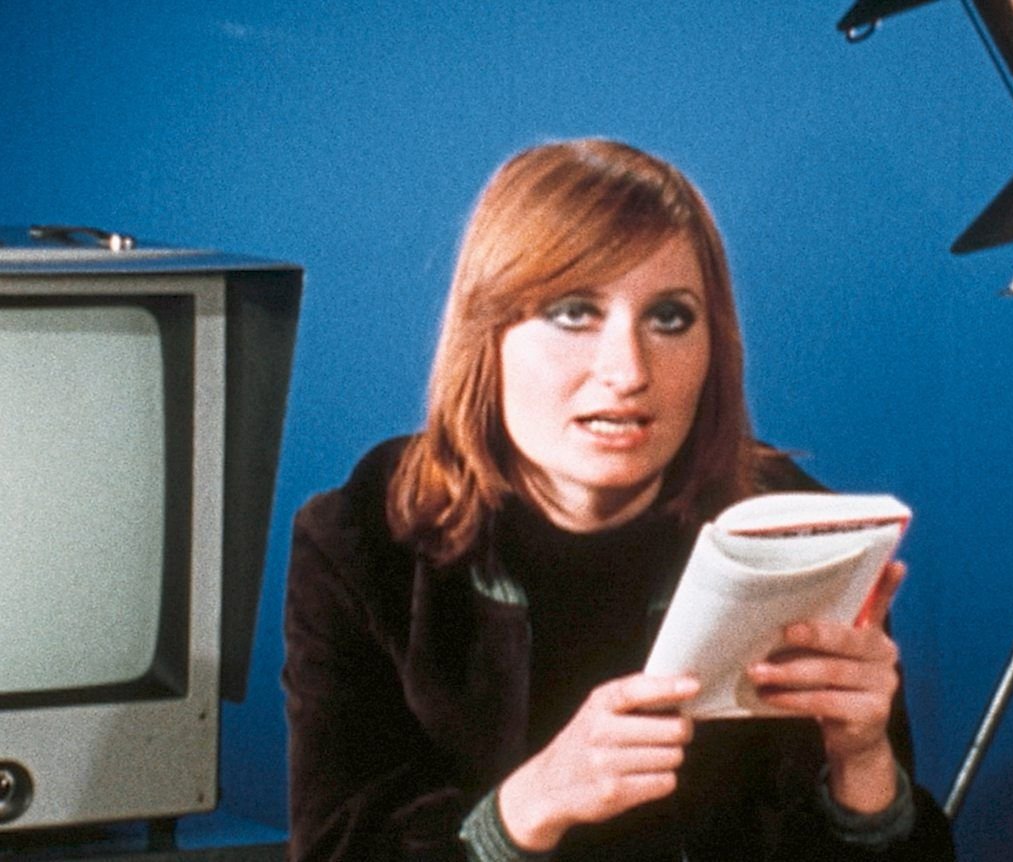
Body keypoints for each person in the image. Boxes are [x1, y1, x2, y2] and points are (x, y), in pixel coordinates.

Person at [282, 138, 955, 861]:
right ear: (489, 333)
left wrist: (863, 765)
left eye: (670, 318)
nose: (628, 370)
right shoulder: (363, 540)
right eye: (574, 313)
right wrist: (525, 810)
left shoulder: (789, 531)